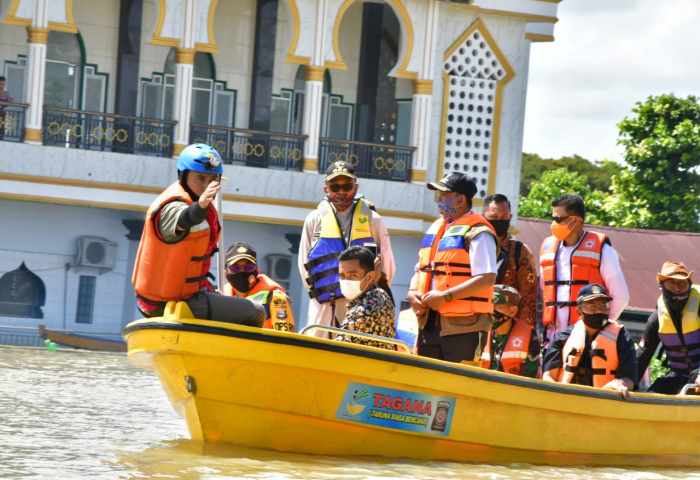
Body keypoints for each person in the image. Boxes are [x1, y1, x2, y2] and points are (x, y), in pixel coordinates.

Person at [132, 143, 264, 327]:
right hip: (171, 301)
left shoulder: (201, 205)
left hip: (185, 296)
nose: (206, 185)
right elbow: (184, 219)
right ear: (184, 177)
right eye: (200, 178)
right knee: (256, 312)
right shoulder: (172, 206)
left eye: (212, 180)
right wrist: (201, 206)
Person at [407, 172, 498, 364]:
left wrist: (446, 296)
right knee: (426, 383)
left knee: (461, 384)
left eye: (445, 195)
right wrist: (411, 291)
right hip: (429, 322)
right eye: (439, 195)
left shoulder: (479, 232)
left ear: (461, 199)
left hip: (466, 327)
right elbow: (420, 270)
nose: (439, 199)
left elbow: (487, 278)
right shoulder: (437, 228)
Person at [299, 160, 395, 335]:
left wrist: (372, 299)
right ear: (326, 190)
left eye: (347, 186)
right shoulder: (314, 220)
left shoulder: (373, 220)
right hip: (324, 304)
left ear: (355, 188)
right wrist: (322, 293)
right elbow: (304, 265)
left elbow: (387, 265)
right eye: (335, 187)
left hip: (363, 305)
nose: (341, 192)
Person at [539, 193, 629, 347]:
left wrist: (600, 329)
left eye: (558, 219)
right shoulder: (548, 249)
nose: (553, 224)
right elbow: (543, 293)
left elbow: (620, 297)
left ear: (574, 220)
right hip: (552, 340)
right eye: (553, 218)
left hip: (587, 340)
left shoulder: (603, 250)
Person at [542, 283, 637, 400]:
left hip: (604, 400)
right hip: (566, 398)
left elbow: (629, 379)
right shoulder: (564, 336)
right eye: (592, 307)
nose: (599, 311)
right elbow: (548, 376)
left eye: (603, 306)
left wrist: (620, 384)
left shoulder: (622, 336)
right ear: (579, 313)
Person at [636, 261, 700, 394]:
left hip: (698, 374)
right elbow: (643, 355)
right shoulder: (656, 319)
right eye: (672, 283)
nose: (677, 288)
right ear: (662, 286)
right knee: (651, 397)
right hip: (678, 376)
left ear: (689, 285)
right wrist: (625, 380)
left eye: (682, 283)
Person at [483, 193, 538, 327]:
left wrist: (525, 332)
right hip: (474, 324)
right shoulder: (471, 246)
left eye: (504, 217)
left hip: (506, 326)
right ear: (483, 217)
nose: (499, 221)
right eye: (494, 217)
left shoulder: (519, 251)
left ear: (510, 217)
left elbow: (528, 298)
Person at [223, 242, 295, 331]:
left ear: (257, 271)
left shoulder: (275, 297)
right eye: (235, 268)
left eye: (248, 267)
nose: (242, 272)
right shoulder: (220, 297)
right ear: (226, 274)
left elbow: (285, 335)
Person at [336, 245, 396, 349]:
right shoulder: (382, 295)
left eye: (353, 275)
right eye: (342, 275)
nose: (346, 280)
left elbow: (336, 351)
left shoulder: (360, 312)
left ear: (369, 277)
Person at [481, 285, 540, 378]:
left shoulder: (529, 335)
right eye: (490, 305)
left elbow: (530, 376)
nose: (492, 311)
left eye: (498, 306)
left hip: (514, 389)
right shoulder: (479, 331)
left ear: (513, 311)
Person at [0, 76, 13, 140]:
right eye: (1, 84)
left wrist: (10, 101)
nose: (2, 86)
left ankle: (1, 136)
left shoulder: (6, 93)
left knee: (2, 125)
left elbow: (7, 103)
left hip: (2, 112)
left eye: (3, 84)